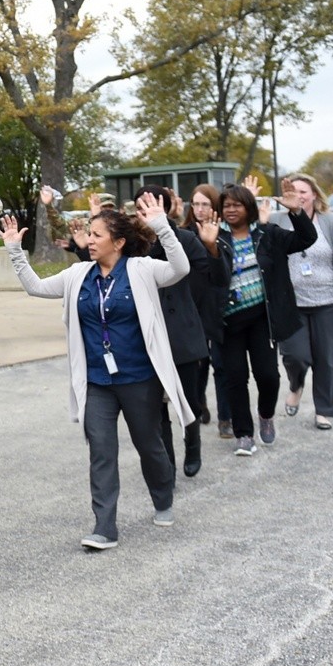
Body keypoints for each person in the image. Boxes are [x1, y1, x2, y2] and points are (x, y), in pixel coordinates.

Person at [1, 195, 192, 550]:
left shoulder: (142, 269)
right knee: (101, 451)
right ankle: (105, 527)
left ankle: (163, 497)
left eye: (97, 235)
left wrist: (162, 227)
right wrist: (15, 250)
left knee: (149, 445)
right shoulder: (78, 275)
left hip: (138, 379)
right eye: (89, 234)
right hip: (96, 382)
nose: (89, 241)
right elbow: (36, 287)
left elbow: (180, 269)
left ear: (118, 242)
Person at [197, 177, 316, 458]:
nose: (231, 210)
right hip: (229, 323)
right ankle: (244, 435)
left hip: (262, 319)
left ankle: (265, 416)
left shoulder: (268, 235)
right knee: (235, 379)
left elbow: (306, 239)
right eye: (226, 206)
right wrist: (211, 248)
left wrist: (296, 212)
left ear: (249, 208)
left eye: (238, 205)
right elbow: (210, 279)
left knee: (268, 376)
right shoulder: (213, 237)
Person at [136, 185, 224, 478]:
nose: (144, 214)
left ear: (165, 207)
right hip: (147, 335)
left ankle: (194, 444)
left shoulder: (185, 238)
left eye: (150, 207)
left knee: (187, 399)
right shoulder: (132, 244)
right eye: (139, 208)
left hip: (182, 330)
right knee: (156, 408)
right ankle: (167, 464)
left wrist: (212, 248)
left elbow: (212, 276)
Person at [271, 174, 333, 430]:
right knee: (295, 356)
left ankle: (324, 410)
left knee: (328, 360)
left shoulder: (330, 222)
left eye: (305, 191)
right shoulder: (277, 220)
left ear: (315, 195)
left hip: (329, 303)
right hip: (292, 306)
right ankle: (296, 384)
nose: (300, 196)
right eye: (295, 191)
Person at [190, 184, 232, 439]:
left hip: (219, 305)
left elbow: (223, 273)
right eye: (195, 204)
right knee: (198, 363)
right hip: (193, 306)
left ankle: (225, 417)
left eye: (205, 204)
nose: (200, 209)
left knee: (221, 364)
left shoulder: (224, 233)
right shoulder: (185, 233)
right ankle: (198, 404)